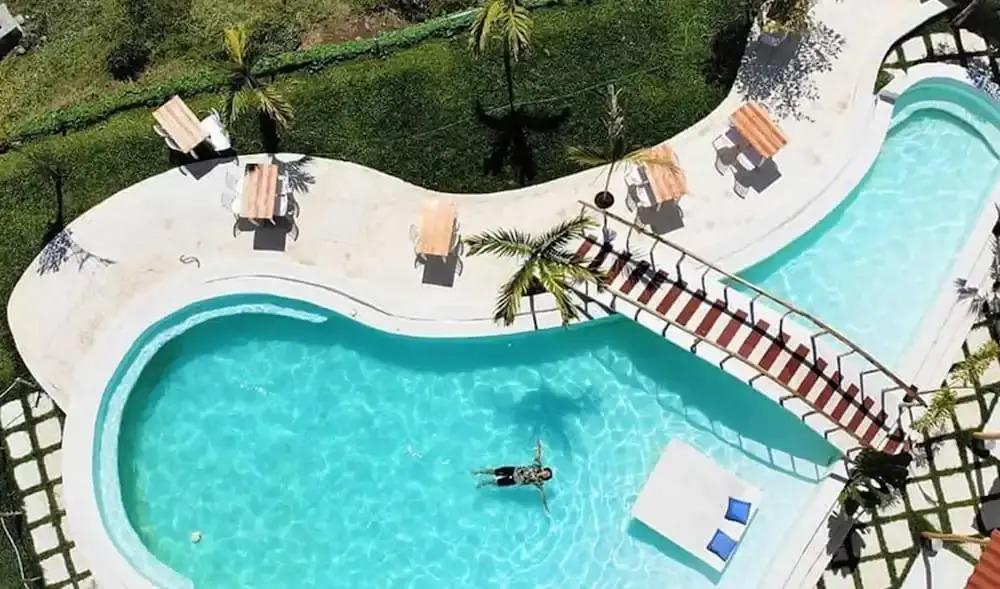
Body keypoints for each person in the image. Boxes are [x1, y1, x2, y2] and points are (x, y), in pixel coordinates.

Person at [472, 440, 553, 512]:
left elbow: (542, 494)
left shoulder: (538, 482)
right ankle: (479, 472)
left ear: (545, 478)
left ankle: (485, 482)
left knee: (496, 482)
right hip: (513, 470)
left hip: (513, 480)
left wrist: (545, 506)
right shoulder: (538, 466)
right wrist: (539, 446)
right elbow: (538, 455)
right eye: (546, 472)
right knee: (494, 471)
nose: (545, 474)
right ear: (544, 470)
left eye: (547, 476)